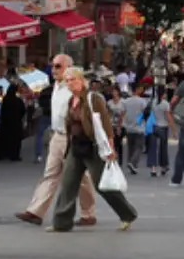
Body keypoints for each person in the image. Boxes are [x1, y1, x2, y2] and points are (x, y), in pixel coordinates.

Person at [50, 66, 138, 231]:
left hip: (93, 147)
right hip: (76, 146)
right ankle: (61, 223)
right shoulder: (71, 100)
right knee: (68, 184)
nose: (70, 83)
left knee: (101, 185)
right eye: (67, 81)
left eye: (73, 80)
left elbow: (105, 123)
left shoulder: (93, 99)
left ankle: (127, 214)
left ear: (81, 80)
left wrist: (110, 147)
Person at [19, 53, 98, 226]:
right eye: (53, 65)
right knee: (50, 174)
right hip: (57, 135)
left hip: (73, 137)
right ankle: (35, 211)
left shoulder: (76, 86)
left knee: (82, 178)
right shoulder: (55, 85)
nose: (53, 69)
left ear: (68, 68)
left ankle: (88, 213)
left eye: (58, 66)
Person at [119, 84, 150, 174]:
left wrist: (120, 125)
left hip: (129, 127)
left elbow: (122, 114)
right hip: (139, 127)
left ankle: (131, 163)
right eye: (140, 88)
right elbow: (146, 114)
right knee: (139, 147)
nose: (142, 90)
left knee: (131, 147)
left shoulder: (126, 101)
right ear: (137, 89)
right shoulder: (142, 102)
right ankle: (133, 162)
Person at [149, 89, 173, 177]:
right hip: (163, 127)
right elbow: (168, 116)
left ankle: (153, 168)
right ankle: (164, 166)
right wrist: (173, 129)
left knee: (153, 148)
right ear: (164, 94)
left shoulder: (153, 102)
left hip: (154, 126)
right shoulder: (165, 104)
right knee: (163, 148)